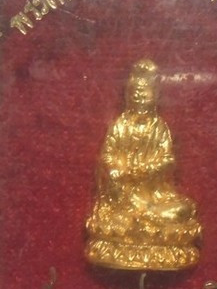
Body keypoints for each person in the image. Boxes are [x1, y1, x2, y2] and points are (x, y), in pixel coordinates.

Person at [85, 59, 201, 270]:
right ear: (128, 95)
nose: (139, 96)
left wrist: (149, 170)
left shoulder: (159, 127)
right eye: (135, 91)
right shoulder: (120, 126)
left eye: (145, 92)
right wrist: (118, 171)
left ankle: (145, 216)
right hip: (125, 197)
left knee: (183, 209)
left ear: (155, 95)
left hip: (154, 195)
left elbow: (167, 159)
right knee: (113, 219)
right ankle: (140, 218)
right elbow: (107, 157)